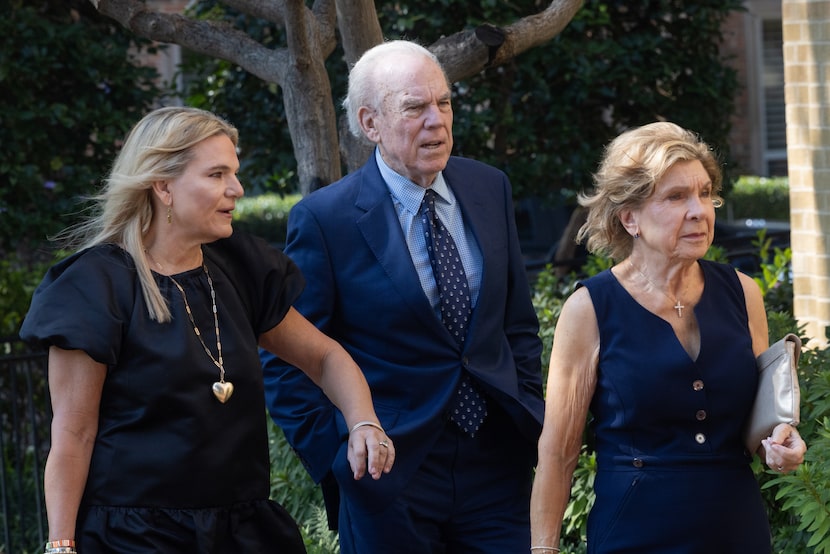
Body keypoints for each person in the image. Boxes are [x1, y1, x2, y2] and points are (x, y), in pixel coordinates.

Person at [19, 106, 395, 554]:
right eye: (217, 175)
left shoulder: (240, 266)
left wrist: (363, 422)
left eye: (234, 173)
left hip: (241, 533)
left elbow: (324, 357)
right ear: (163, 187)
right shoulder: (95, 286)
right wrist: (60, 545)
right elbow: (72, 435)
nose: (236, 189)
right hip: (134, 539)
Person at [260, 40, 544, 553]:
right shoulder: (327, 220)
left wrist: (529, 408)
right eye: (415, 107)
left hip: (497, 466)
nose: (437, 121)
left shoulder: (489, 187)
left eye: (444, 103)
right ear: (369, 123)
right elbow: (284, 358)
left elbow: (516, 324)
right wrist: (339, 453)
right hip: (390, 475)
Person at [529, 121, 807, 553]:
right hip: (635, 533)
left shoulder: (743, 293)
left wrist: (782, 442)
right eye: (676, 197)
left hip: (736, 529)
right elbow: (560, 451)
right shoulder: (590, 309)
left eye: (704, 193)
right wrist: (543, 550)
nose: (699, 210)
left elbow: (761, 426)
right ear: (630, 217)